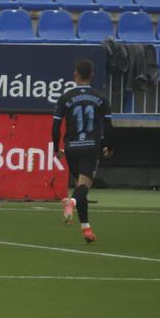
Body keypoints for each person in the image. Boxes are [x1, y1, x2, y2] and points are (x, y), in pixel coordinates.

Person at [51, 59, 114, 244]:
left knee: (80, 186)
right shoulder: (101, 98)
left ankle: (86, 228)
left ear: (75, 75)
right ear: (92, 75)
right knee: (84, 187)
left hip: (71, 147)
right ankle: (71, 202)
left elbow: (55, 127)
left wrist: (56, 148)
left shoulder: (65, 97)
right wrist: (109, 146)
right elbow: (109, 126)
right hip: (90, 147)